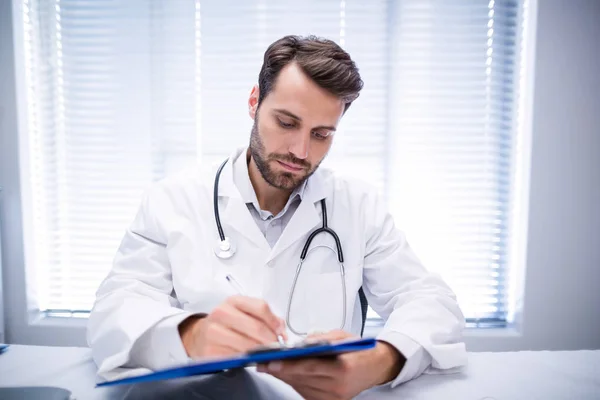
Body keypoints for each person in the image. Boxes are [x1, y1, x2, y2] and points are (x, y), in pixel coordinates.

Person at [88, 35, 467, 399]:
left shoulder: (358, 205)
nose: (300, 151)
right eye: (286, 123)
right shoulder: (172, 200)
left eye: (321, 134)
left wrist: (381, 361)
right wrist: (191, 335)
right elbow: (116, 306)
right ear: (254, 102)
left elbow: (430, 301)